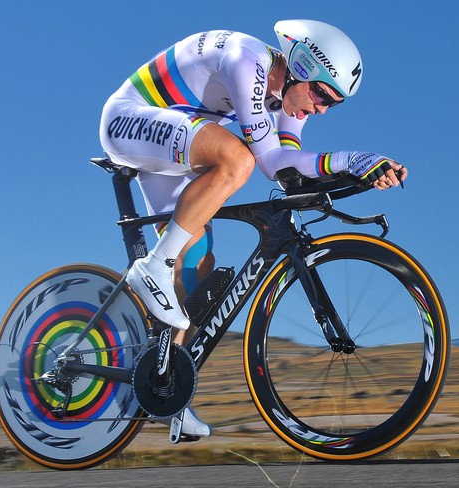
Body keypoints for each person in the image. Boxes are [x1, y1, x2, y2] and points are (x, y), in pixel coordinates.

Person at [98, 19, 407, 439]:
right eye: (320, 94)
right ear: (299, 66)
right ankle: (152, 267)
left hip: (176, 138)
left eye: (331, 104)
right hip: (130, 120)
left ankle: (166, 389)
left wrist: (361, 175)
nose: (319, 109)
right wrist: (349, 159)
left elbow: (287, 171)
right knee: (238, 160)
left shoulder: (286, 102)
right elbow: (266, 162)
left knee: (195, 268)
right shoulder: (248, 62)